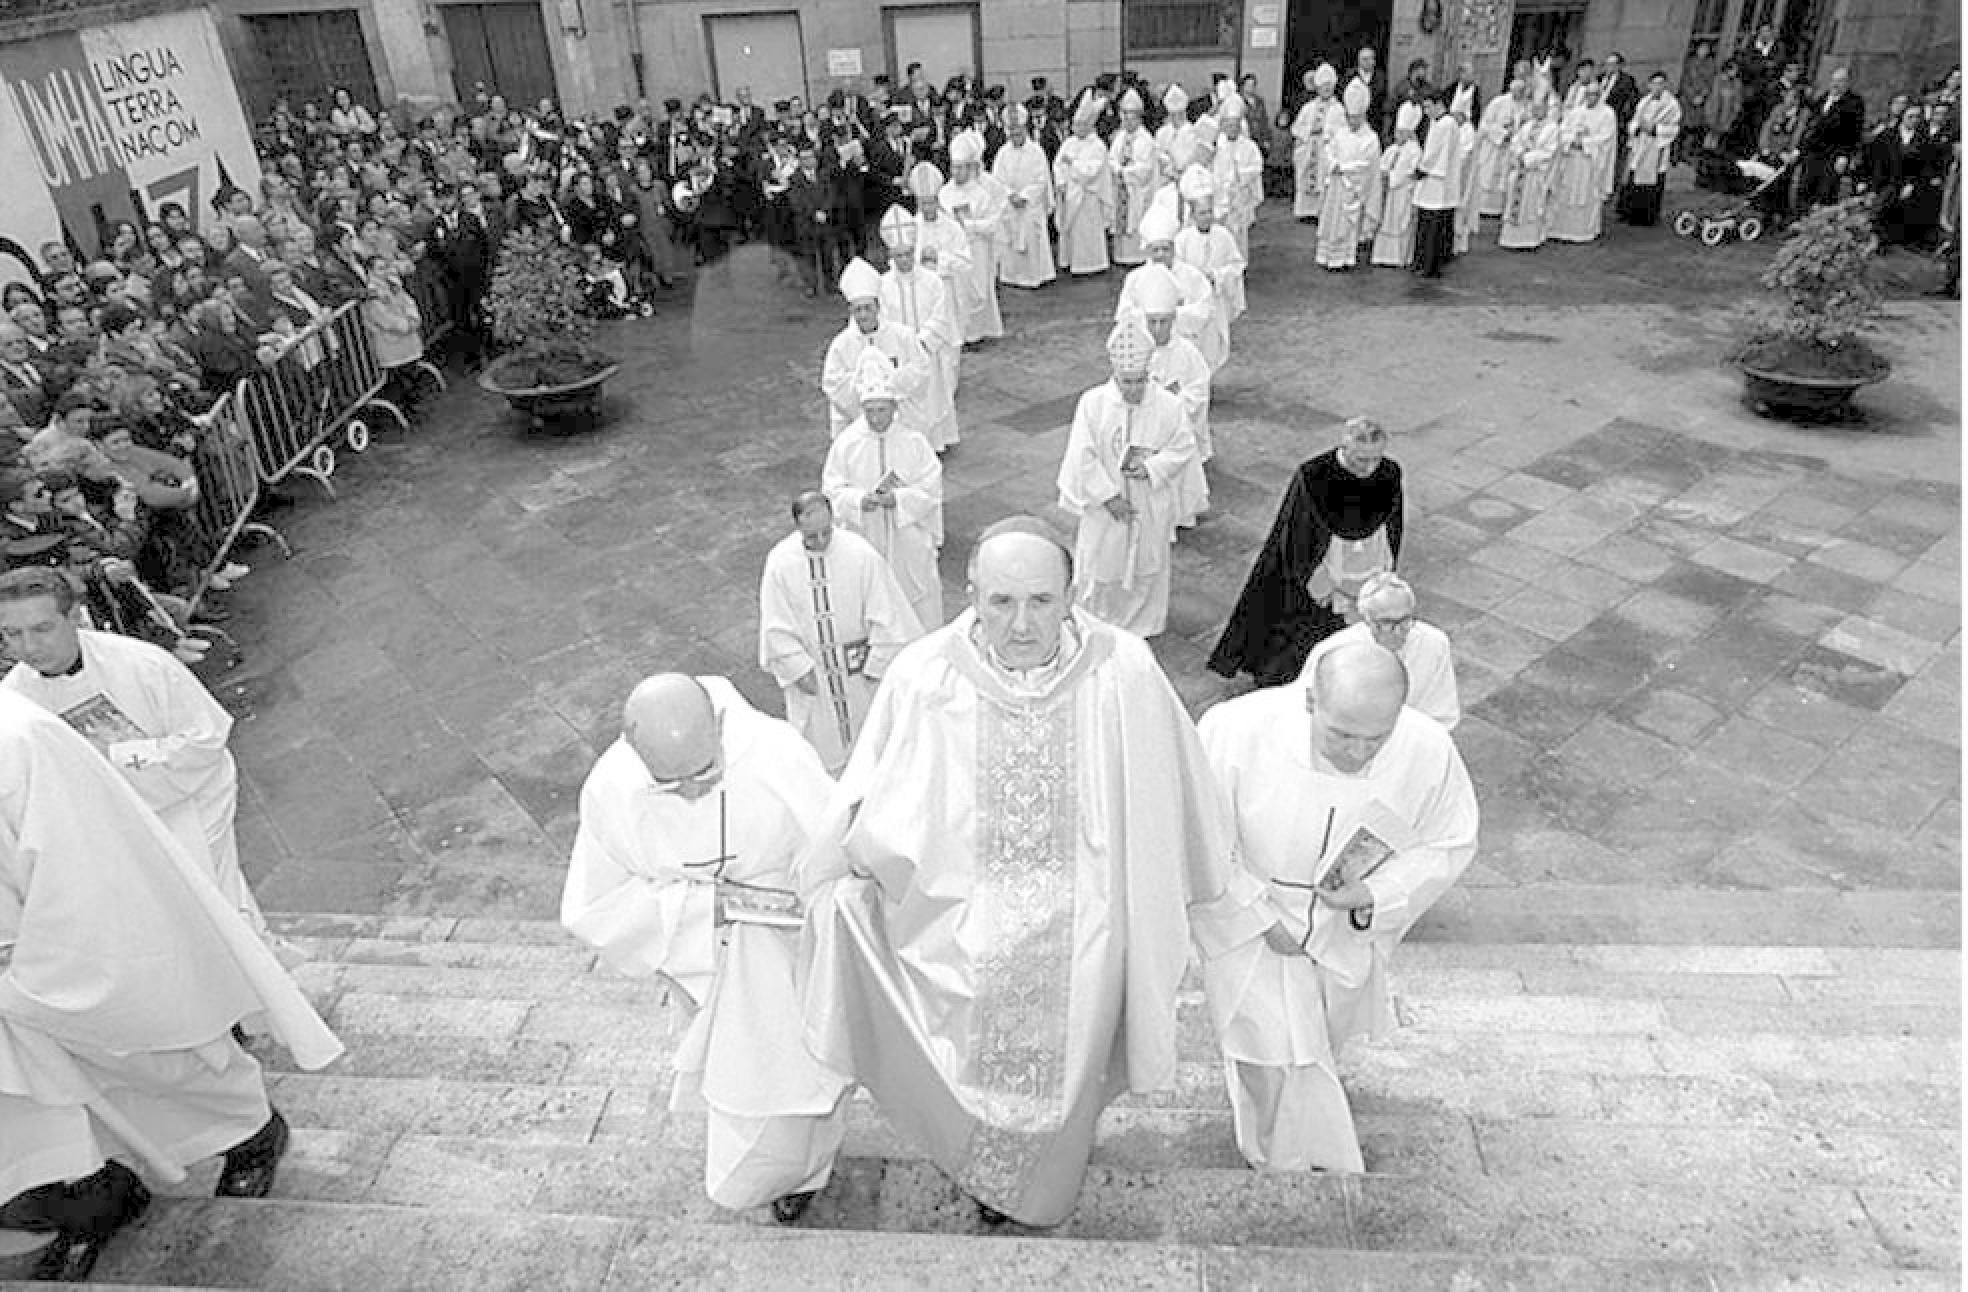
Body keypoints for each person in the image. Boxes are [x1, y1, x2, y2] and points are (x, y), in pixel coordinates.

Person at [795, 518, 1271, 1228]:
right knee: (872, 943)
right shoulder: (925, 675)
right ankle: (982, 1169)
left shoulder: (1125, 671)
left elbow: (1176, 795)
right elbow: (873, 795)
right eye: (1001, 603)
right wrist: (838, 871)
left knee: (1081, 1015)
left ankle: (1035, 1186)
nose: (1021, 626)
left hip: (1088, 913)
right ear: (971, 594)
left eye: (1042, 602)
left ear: (1073, 593)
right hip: (955, 918)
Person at [0, 687, 341, 1281]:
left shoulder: (20, 739)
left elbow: (80, 871)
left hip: (60, 950)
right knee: (37, 1106)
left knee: (154, 1060)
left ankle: (253, 1135)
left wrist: (25, 968)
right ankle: (96, 1198)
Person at [560, 673, 848, 1222]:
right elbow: (595, 906)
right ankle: (771, 1172)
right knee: (737, 1083)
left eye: (704, 772)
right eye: (672, 783)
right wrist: (697, 908)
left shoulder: (776, 753)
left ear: (718, 724)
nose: (693, 792)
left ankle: (807, 1169)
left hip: (782, 953)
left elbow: (834, 848)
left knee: (800, 1071)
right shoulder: (611, 789)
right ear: (634, 751)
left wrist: (797, 897)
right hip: (699, 961)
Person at [1198, 640, 1478, 1172]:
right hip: (1248, 924)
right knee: (1269, 1051)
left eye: (1376, 739)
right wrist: (1257, 912)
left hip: (1344, 928)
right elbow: (1197, 834)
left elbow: (1450, 841)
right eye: (1342, 735)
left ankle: (1288, 1140)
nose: (1357, 754)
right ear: (1310, 700)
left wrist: (1375, 893)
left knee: (1320, 1041)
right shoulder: (1234, 730)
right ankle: (1281, 1158)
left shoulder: (1428, 748)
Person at [0, 568, 279, 946]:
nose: (29, 647)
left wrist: (114, 756)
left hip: (187, 811)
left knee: (220, 917)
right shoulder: (13, 699)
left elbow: (205, 739)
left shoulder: (142, 663)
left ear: (74, 617)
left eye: (42, 628)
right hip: (109, 833)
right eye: (13, 635)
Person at [1208, 417, 1405, 687]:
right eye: (1361, 459)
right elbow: (1298, 536)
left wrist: (1386, 570)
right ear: (1344, 448)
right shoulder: (1314, 477)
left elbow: (1392, 526)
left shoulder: (1389, 473)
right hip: (1322, 573)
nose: (1369, 467)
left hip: (1369, 564)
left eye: (1375, 458)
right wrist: (1318, 582)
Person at [758, 491, 921, 773]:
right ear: (798, 528)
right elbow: (776, 626)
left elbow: (890, 615)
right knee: (822, 754)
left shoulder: (860, 555)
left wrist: (877, 664)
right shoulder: (780, 564)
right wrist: (797, 668)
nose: (821, 542)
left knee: (871, 750)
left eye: (826, 533)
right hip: (815, 678)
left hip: (860, 676)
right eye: (812, 537)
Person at [1056, 320, 1195, 638]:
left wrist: (1153, 467)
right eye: (1126, 382)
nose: (1134, 389)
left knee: (1146, 564)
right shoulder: (1093, 404)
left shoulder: (1168, 405)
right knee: (1103, 562)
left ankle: (1142, 623)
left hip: (1148, 499)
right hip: (1105, 506)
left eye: (1140, 381)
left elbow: (1183, 445)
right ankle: (1098, 620)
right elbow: (1083, 455)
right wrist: (1109, 497)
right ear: (1115, 375)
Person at [821, 352, 945, 631]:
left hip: (906, 539)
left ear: (894, 408)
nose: (876, 418)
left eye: (882, 410)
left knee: (914, 596)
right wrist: (857, 500)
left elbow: (931, 488)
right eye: (870, 411)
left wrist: (898, 500)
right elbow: (832, 488)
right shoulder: (847, 444)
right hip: (867, 534)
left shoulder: (914, 443)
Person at [1297, 572, 1460, 730]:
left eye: (1405, 620)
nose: (1398, 632)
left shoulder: (1434, 644)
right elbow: (1308, 708)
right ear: (1367, 620)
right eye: (1387, 623)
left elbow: (1441, 711)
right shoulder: (1334, 653)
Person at [874, 208, 961, 452]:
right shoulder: (882, 285)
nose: (904, 260)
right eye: (898, 255)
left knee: (932, 397)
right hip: (901, 358)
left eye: (908, 254)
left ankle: (935, 442)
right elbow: (882, 321)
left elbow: (941, 315)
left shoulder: (931, 280)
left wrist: (922, 341)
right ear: (890, 254)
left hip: (926, 351)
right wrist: (902, 346)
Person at [819, 258, 930, 439]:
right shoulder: (842, 344)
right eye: (858, 310)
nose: (863, 315)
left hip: (901, 417)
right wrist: (865, 389)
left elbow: (921, 368)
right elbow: (833, 384)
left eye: (867, 308)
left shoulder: (903, 336)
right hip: (859, 421)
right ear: (851, 311)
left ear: (878, 307)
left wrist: (891, 384)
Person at [939, 132, 1007, 343]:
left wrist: (970, 226)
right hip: (954, 252)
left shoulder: (980, 194)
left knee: (978, 290)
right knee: (958, 293)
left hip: (977, 249)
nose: (956, 172)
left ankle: (979, 331)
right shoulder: (944, 193)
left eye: (961, 168)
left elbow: (992, 223)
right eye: (953, 168)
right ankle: (962, 333)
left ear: (969, 168)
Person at [1173, 168, 1242, 373]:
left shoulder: (1223, 236)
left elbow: (1236, 264)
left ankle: (1208, 380)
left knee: (1212, 344)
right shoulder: (1183, 239)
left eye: (1209, 212)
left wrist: (1218, 277)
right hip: (1194, 302)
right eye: (1202, 213)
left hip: (1215, 299)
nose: (1207, 217)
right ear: (1192, 214)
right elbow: (1177, 269)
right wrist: (1194, 280)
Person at [992, 105, 1057, 288]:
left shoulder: (1036, 152)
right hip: (1011, 204)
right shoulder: (1003, 153)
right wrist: (1010, 195)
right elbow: (997, 181)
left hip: (1030, 205)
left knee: (1031, 236)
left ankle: (1035, 275)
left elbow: (1041, 180)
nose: (1015, 137)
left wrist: (1025, 196)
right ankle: (1012, 276)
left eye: (1018, 133)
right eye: (1012, 133)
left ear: (1025, 130)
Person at [1318, 83, 1380, 270]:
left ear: (1363, 116)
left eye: (1355, 118)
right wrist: (1333, 164)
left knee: (1347, 224)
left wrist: (1344, 168)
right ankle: (1326, 255)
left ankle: (1345, 258)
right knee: (1331, 221)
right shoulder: (1340, 133)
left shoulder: (1370, 138)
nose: (1352, 122)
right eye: (1349, 118)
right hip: (1336, 185)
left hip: (1352, 188)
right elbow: (1329, 150)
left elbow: (1367, 166)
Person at [1548, 80, 1618, 243]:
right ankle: (1560, 229)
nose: (1590, 98)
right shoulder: (1576, 112)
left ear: (1600, 96)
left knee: (1586, 194)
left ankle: (1584, 230)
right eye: (1587, 95)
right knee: (1566, 192)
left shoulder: (1607, 114)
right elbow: (1562, 131)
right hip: (1571, 160)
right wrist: (1571, 140)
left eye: (1594, 95)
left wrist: (1585, 143)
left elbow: (1605, 139)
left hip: (1589, 162)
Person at [1053, 94, 1114, 276]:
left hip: (1087, 197)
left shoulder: (1098, 146)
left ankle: (1091, 264)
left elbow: (1090, 173)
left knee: (1086, 233)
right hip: (1070, 195)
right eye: (1074, 124)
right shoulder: (1069, 143)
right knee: (1071, 233)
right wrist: (1061, 182)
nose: (1075, 128)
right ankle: (1070, 261)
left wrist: (1073, 164)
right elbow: (1058, 165)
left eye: (1079, 125)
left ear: (1089, 126)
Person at [1498, 94, 1563, 250]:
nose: (1535, 111)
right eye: (1533, 108)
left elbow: (1549, 152)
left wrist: (1527, 158)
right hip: (1520, 170)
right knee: (1512, 202)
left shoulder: (1552, 129)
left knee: (1531, 207)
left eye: (1539, 108)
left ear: (1546, 109)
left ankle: (1529, 240)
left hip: (1535, 173)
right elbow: (1515, 143)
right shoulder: (1526, 126)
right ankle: (1510, 238)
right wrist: (1519, 154)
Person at [1797, 68, 1866, 210]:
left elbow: (1854, 133)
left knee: (1825, 192)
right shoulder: (1823, 98)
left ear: (1847, 83)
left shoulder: (1854, 103)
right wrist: (1801, 148)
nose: (1836, 84)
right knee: (1805, 187)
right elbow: (1811, 126)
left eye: (1840, 81)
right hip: (1814, 152)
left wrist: (1844, 155)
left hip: (1834, 154)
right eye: (1834, 80)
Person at [1619, 72, 1682, 226]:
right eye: (1654, 83)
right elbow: (1634, 120)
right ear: (1649, 85)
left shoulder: (1672, 105)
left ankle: (1648, 217)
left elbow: (1673, 128)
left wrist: (1654, 129)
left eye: (1661, 84)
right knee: (1634, 180)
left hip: (1656, 147)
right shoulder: (1644, 101)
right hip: (1641, 144)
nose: (1657, 87)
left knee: (1653, 182)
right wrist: (1636, 128)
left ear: (1666, 85)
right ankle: (1630, 213)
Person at [1108, 89, 1158, 266]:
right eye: (1125, 118)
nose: (1127, 122)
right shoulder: (1120, 137)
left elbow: (1146, 168)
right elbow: (1111, 158)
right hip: (1121, 186)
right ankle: (1121, 255)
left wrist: (1125, 172)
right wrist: (1117, 168)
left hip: (1136, 190)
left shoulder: (1146, 140)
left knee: (1136, 220)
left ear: (1139, 118)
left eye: (1131, 118)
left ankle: (1138, 256)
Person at [1410, 92, 1457, 277]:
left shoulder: (1445, 124)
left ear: (1439, 104)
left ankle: (1429, 266)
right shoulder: (1438, 123)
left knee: (1432, 227)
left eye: (1428, 106)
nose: (1426, 111)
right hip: (1434, 181)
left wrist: (1421, 169)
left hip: (1436, 180)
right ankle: (1422, 261)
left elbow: (1434, 152)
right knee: (1426, 224)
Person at [1212, 95, 1266, 258]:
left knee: (1238, 233)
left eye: (1235, 125)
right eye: (1228, 125)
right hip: (1220, 194)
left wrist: (1240, 174)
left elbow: (1256, 167)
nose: (1232, 128)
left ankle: (1238, 261)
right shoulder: (1217, 145)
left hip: (1240, 195)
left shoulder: (1249, 146)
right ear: (1223, 126)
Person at [1370, 104, 1424, 267]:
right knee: (1385, 221)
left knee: (1399, 222)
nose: (1397, 136)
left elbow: (1408, 171)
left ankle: (1398, 257)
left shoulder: (1414, 151)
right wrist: (1382, 173)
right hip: (1388, 190)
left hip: (1401, 191)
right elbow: (1381, 165)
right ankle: (1381, 255)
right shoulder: (1392, 149)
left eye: (1401, 133)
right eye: (1396, 132)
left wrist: (1391, 176)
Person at [1291, 65, 1342, 221]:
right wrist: (1307, 134)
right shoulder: (1308, 107)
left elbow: (1342, 132)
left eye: (1329, 86)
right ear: (1317, 88)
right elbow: (1297, 128)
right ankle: (1305, 211)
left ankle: (1321, 212)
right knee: (1307, 178)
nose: (1326, 89)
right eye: (1323, 86)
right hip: (1309, 147)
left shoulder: (1339, 109)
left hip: (1326, 149)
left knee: (1323, 179)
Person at [1473, 79, 1528, 217]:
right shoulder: (1498, 103)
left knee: (1504, 179)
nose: (1519, 95)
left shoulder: (1525, 106)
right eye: (1516, 91)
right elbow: (1485, 124)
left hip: (1510, 148)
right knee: (1488, 176)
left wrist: (1516, 135)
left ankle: (1499, 209)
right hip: (1494, 147)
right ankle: (1483, 208)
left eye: (1521, 92)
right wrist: (1502, 134)